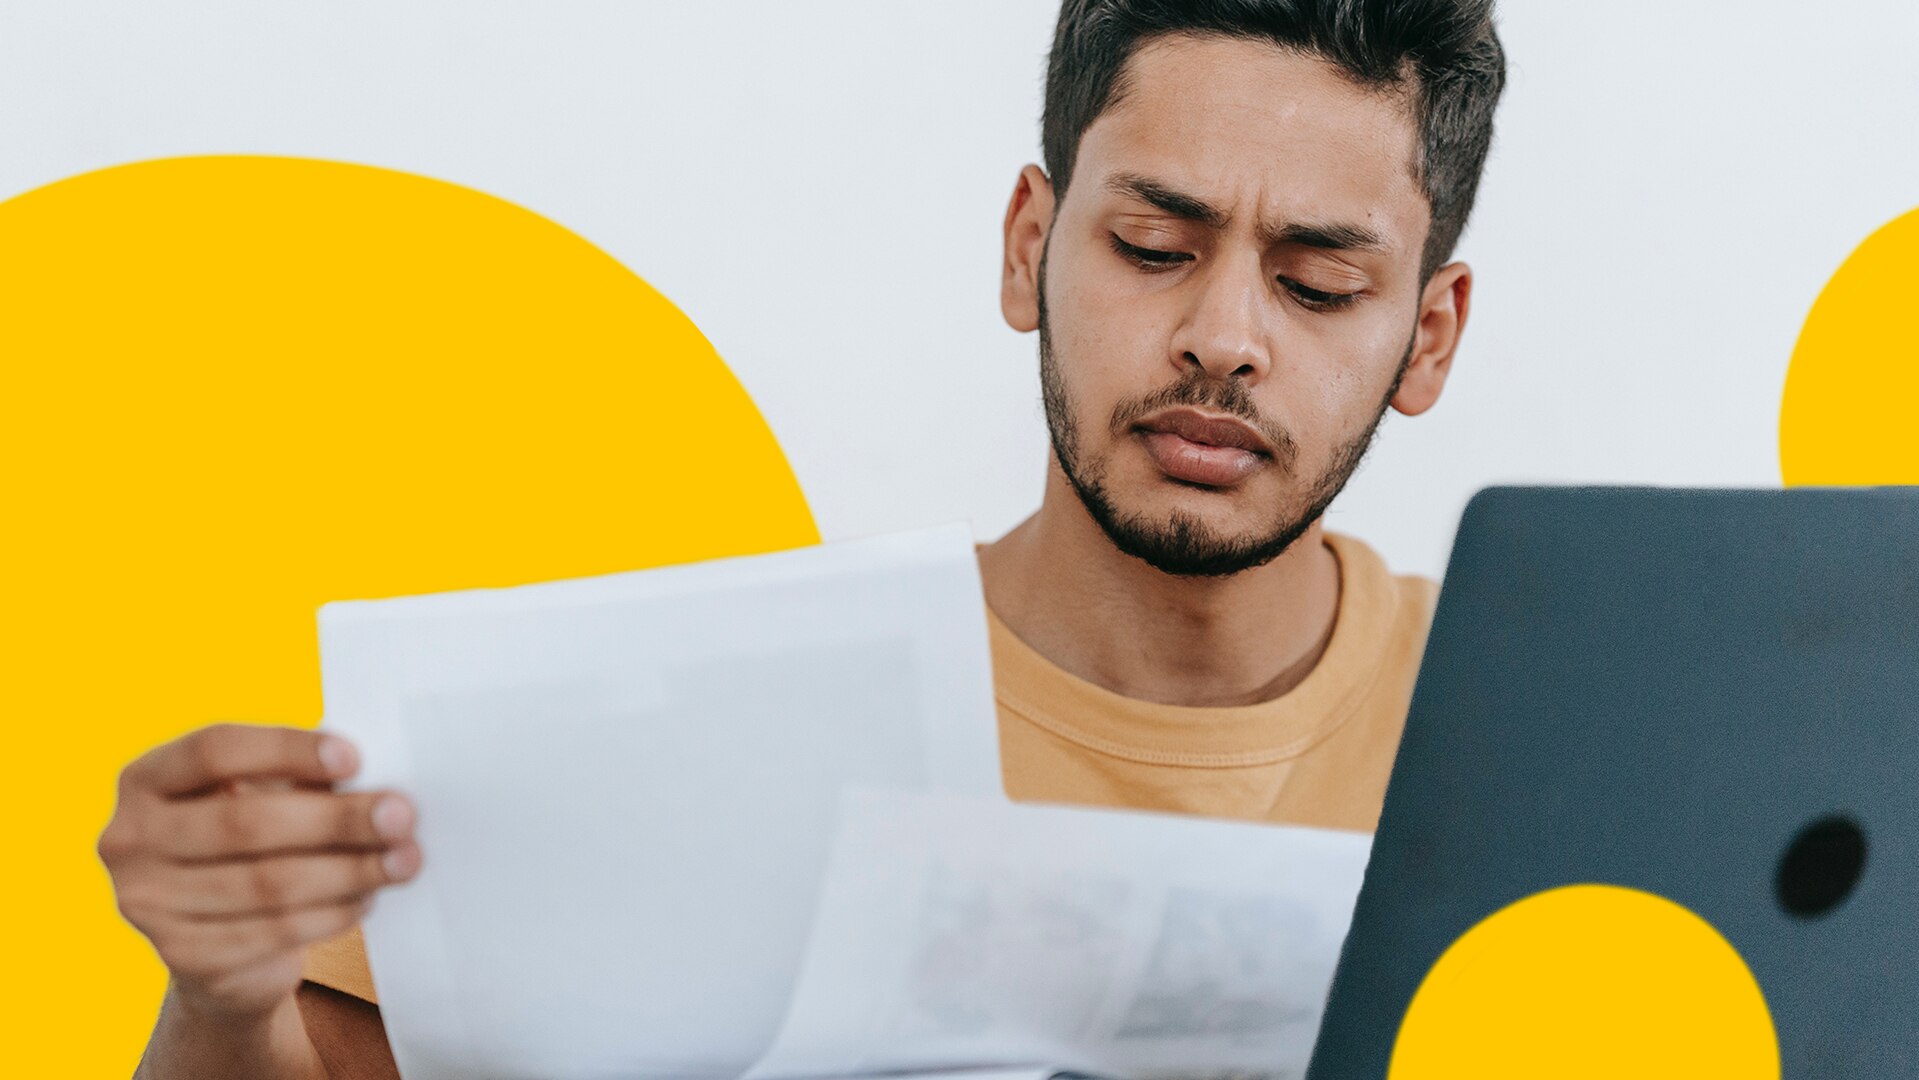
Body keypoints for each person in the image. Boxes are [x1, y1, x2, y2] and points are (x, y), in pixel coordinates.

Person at [98, 1, 1507, 1075]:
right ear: (1030, 247)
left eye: (1318, 283)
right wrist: (223, 997)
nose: (1222, 340)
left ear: (1426, 336)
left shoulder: (1550, 731)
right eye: (1153, 247)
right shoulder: (687, 721)